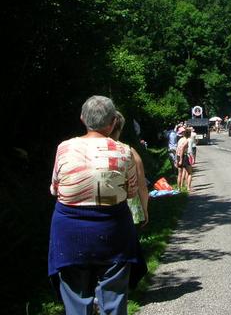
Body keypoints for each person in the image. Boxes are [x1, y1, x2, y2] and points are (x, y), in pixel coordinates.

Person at [48, 95, 141, 315]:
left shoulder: (64, 148)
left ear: (82, 118)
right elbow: (132, 192)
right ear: (112, 123)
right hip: (113, 232)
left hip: (69, 234)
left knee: (76, 299)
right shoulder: (123, 151)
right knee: (114, 298)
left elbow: (55, 189)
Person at [110, 112, 149, 226]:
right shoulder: (130, 152)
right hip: (128, 209)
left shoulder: (92, 152)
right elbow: (142, 186)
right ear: (120, 129)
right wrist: (145, 210)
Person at [176, 128, 194, 193]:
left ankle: (178, 188)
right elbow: (182, 150)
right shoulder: (186, 141)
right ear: (189, 134)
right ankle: (188, 188)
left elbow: (177, 149)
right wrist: (181, 159)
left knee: (179, 174)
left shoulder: (180, 140)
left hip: (178, 156)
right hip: (183, 156)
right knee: (190, 172)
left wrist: (176, 159)